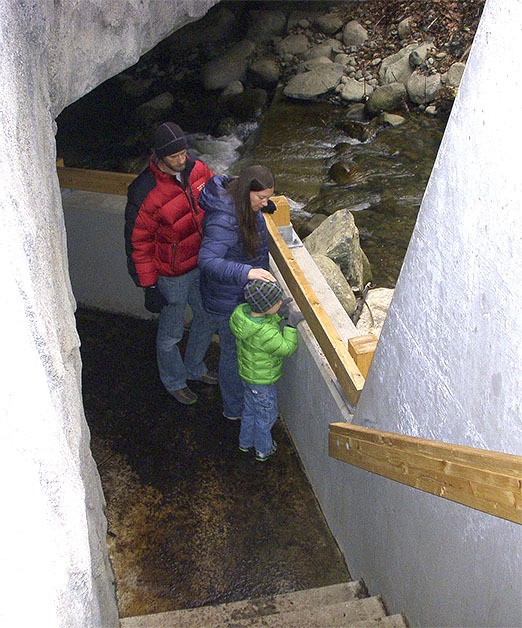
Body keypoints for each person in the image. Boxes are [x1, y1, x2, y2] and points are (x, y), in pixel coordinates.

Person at [125, 121, 217, 405]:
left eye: (184, 153)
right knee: (171, 333)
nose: (181, 160)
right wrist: (149, 286)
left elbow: (220, 192)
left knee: (207, 317)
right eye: (174, 156)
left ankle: (194, 367)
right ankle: (174, 381)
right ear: (159, 156)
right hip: (172, 274)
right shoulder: (144, 192)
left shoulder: (196, 169)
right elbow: (138, 244)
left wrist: (252, 199)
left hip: (201, 263)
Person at [197, 165, 277, 421]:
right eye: (261, 198)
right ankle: (233, 410)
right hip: (227, 299)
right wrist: (247, 273)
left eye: (268, 198)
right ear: (246, 192)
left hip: (234, 294)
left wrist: (263, 207)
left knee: (234, 352)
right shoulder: (224, 218)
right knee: (231, 354)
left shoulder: (244, 205)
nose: (265, 203)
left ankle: (235, 403)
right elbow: (207, 260)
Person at [229, 279, 304, 461]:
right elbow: (286, 348)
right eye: (277, 302)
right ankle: (264, 449)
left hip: (248, 376)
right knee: (266, 416)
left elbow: (263, 319)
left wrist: (278, 314)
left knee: (250, 411)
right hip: (263, 381)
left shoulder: (243, 316)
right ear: (266, 307)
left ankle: (245, 443)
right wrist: (291, 326)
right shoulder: (264, 333)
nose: (280, 302)